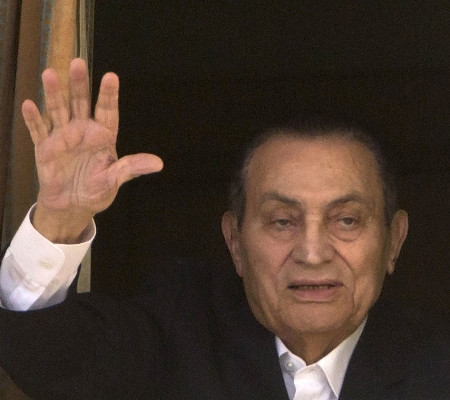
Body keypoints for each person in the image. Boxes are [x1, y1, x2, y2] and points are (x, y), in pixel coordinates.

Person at [0, 59, 448, 400]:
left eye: (346, 220)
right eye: (282, 221)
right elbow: (47, 359)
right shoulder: (179, 330)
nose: (312, 253)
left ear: (394, 241)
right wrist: (59, 223)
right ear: (235, 242)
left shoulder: (436, 364)